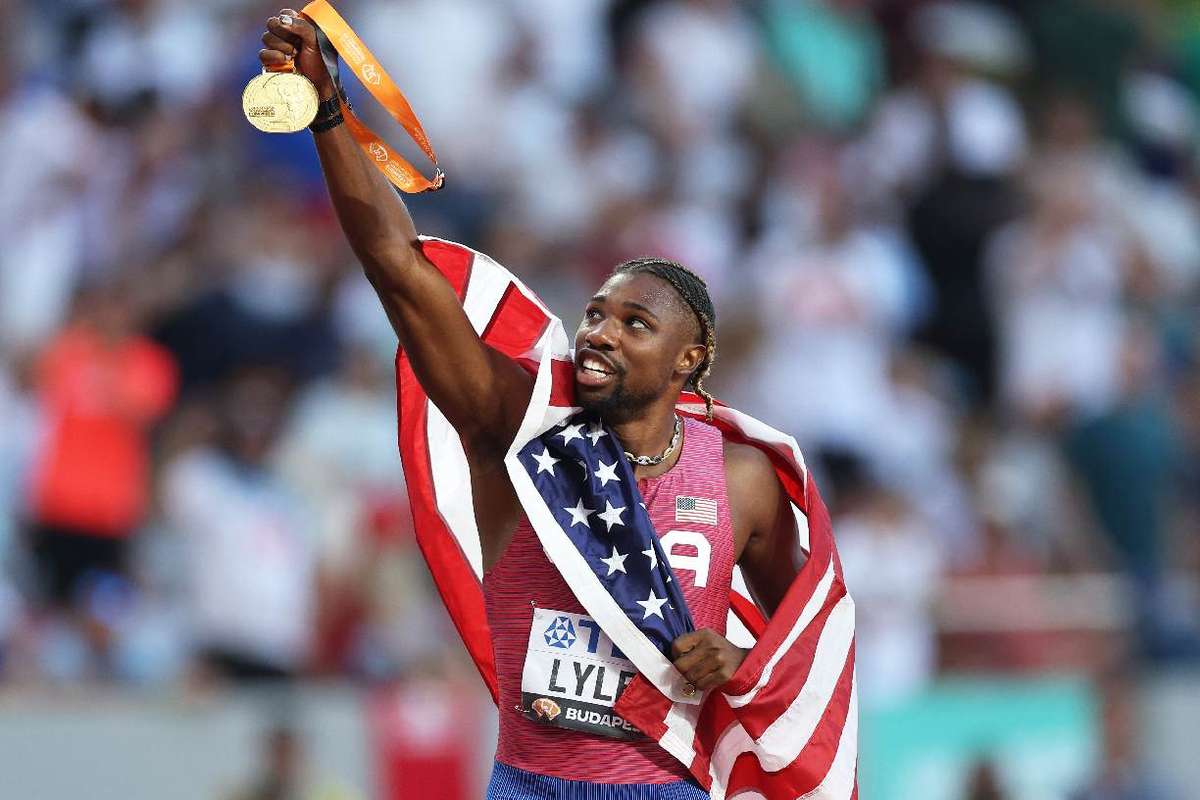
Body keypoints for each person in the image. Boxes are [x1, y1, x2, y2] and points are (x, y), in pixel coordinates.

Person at [258, 11, 806, 798]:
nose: (600, 335)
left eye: (635, 324)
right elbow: (397, 267)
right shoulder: (519, 430)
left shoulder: (745, 480)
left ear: (691, 361)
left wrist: (742, 662)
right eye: (594, 315)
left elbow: (804, 654)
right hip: (532, 783)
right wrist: (331, 113)